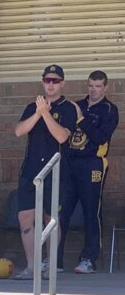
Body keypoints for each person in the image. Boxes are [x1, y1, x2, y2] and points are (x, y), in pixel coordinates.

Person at [14, 65, 77, 280]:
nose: (51, 84)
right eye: (47, 80)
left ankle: (50, 266)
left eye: (55, 81)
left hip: (55, 170)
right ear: (43, 82)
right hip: (30, 170)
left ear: (62, 83)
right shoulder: (34, 106)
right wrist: (38, 112)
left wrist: (46, 115)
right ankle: (32, 266)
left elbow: (62, 136)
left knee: (51, 219)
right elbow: (19, 131)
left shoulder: (69, 107)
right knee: (25, 217)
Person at [57, 70, 119, 274]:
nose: (94, 90)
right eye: (91, 85)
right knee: (60, 211)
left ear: (105, 87)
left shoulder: (110, 110)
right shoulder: (77, 105)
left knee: (91, 211)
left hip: (93, 164)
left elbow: (100, 137)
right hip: (69, 162)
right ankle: (55, 260)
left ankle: (88, 259)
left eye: (98, 86)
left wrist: (81, 119)